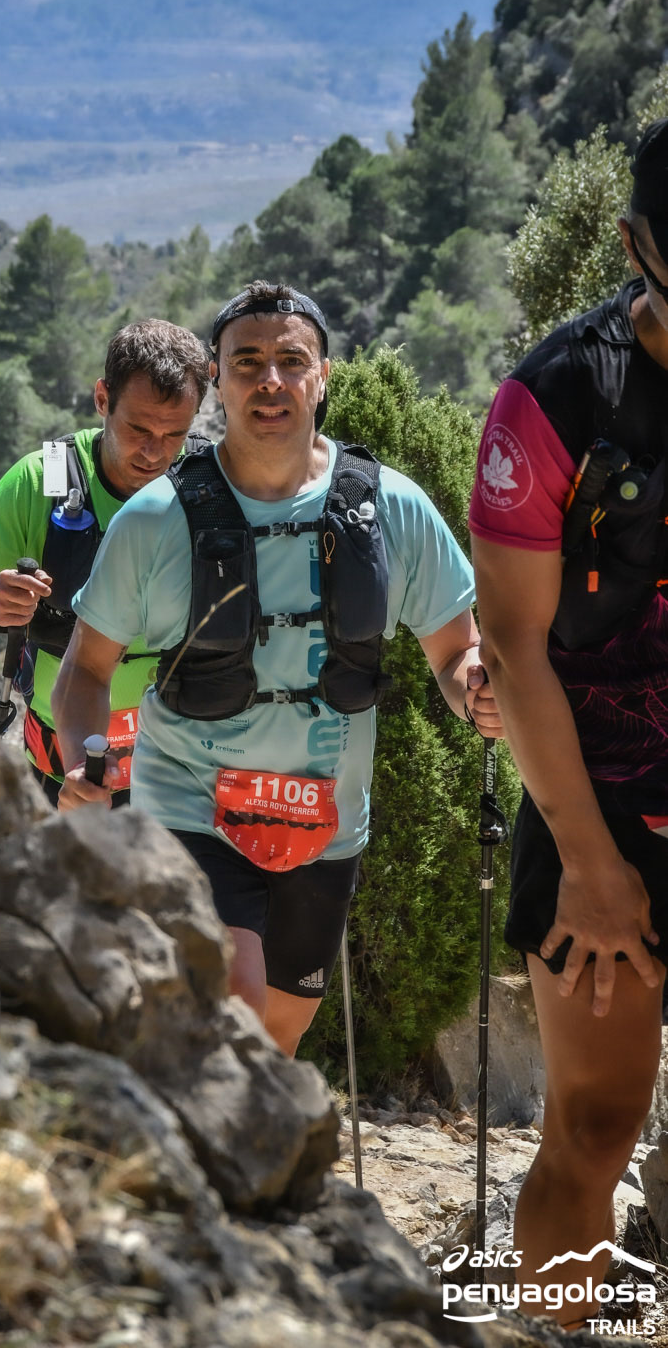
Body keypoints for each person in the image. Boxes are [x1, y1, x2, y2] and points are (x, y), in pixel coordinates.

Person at [53, 279, 500, 1056]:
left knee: (277, 1036)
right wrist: (83, 764)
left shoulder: (389, 509)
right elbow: (85, 672)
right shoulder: (154, 519)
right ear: (216, 382)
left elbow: (456, 651)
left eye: (291, 361)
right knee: (231, 1004)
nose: (269, 380)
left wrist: (477, 693)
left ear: (321, 376)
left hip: (326, 826)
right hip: (188, 807)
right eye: (246, 362)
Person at [470, 119, 668, 1327]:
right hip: (596, 797)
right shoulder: (552, 396)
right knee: (591, 1128)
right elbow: (509, 645)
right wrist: (590, 867)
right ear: (635, 245)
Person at [0, 318, 209, 804]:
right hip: (63, 776)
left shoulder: (207, 485)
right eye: (137, 428)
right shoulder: (43, 482)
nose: (153, 452)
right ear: (102, 399)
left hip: (181, 778)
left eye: (174, 433)